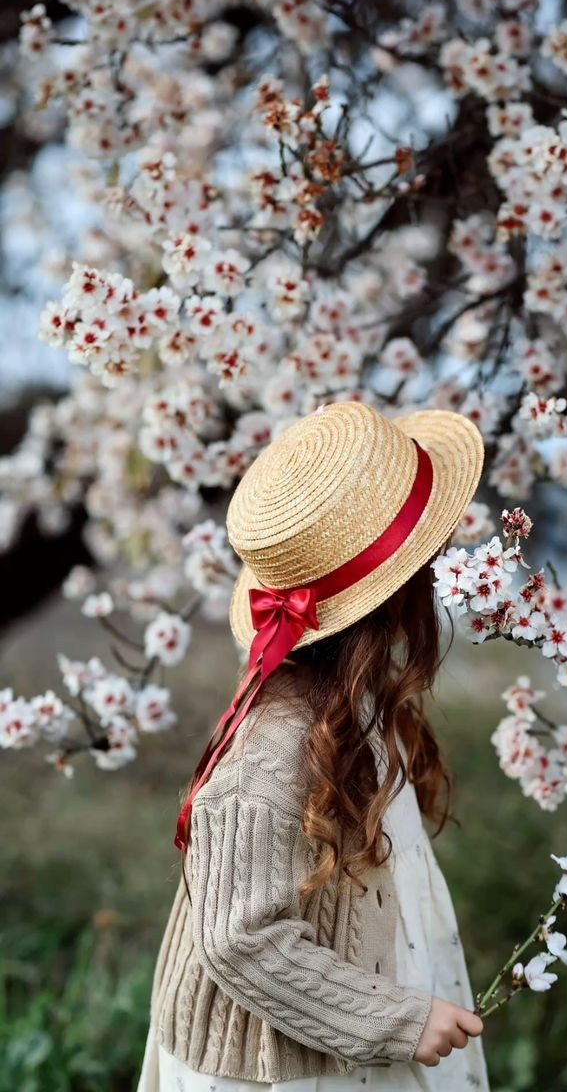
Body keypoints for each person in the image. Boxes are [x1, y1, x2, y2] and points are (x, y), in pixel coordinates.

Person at [136, 400, 490, 1091]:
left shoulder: (352, 711)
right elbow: (238, 941)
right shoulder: (270, 757)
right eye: (429, 561)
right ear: (393, 599)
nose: (444, 572)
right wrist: (397, 1019)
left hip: (362, 1002)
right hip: (287, 1062)